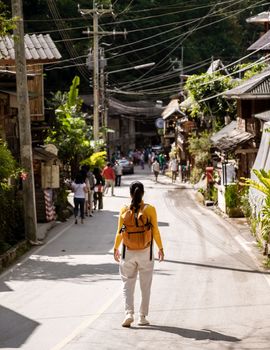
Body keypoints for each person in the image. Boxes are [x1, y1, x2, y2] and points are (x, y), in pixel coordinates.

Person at [113, 181, 164, 327]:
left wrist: (116, 248)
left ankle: (129, 313)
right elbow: (155, 231)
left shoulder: (124, 209)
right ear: (143, 194)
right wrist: (160, 248)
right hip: (145, 252)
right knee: (145, 285)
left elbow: (121, 231)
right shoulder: (150, 209)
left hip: (128, 252)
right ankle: (142, 317)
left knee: (128, 283)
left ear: (130, 194)